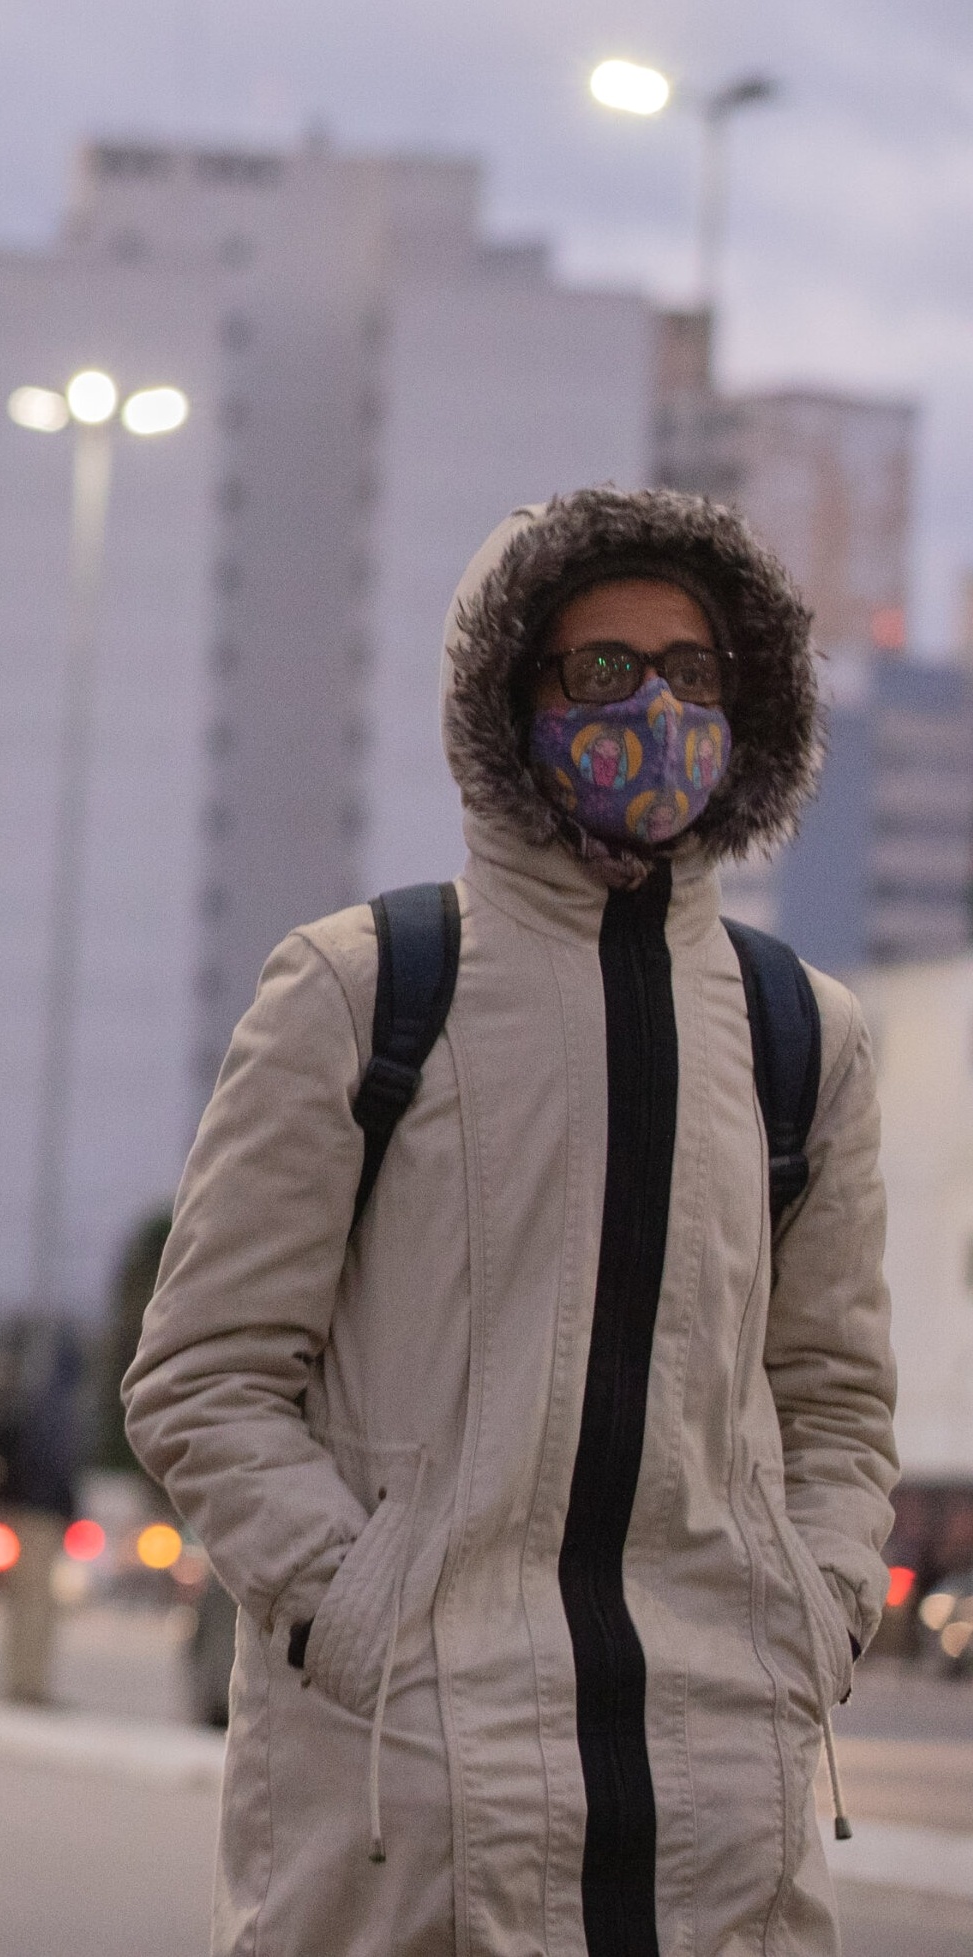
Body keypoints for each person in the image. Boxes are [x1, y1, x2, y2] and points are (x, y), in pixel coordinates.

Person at [123, 487, 898, 1957]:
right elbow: (202, 1377)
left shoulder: (805, 1034)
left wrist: (814, 1618)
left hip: (724, 1780)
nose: (655, 706)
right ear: (507, 696)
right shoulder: (360, 988)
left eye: (692, 669)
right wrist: (363, 1615)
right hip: (409, 1780)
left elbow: (839, 1400)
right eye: (603, 669)